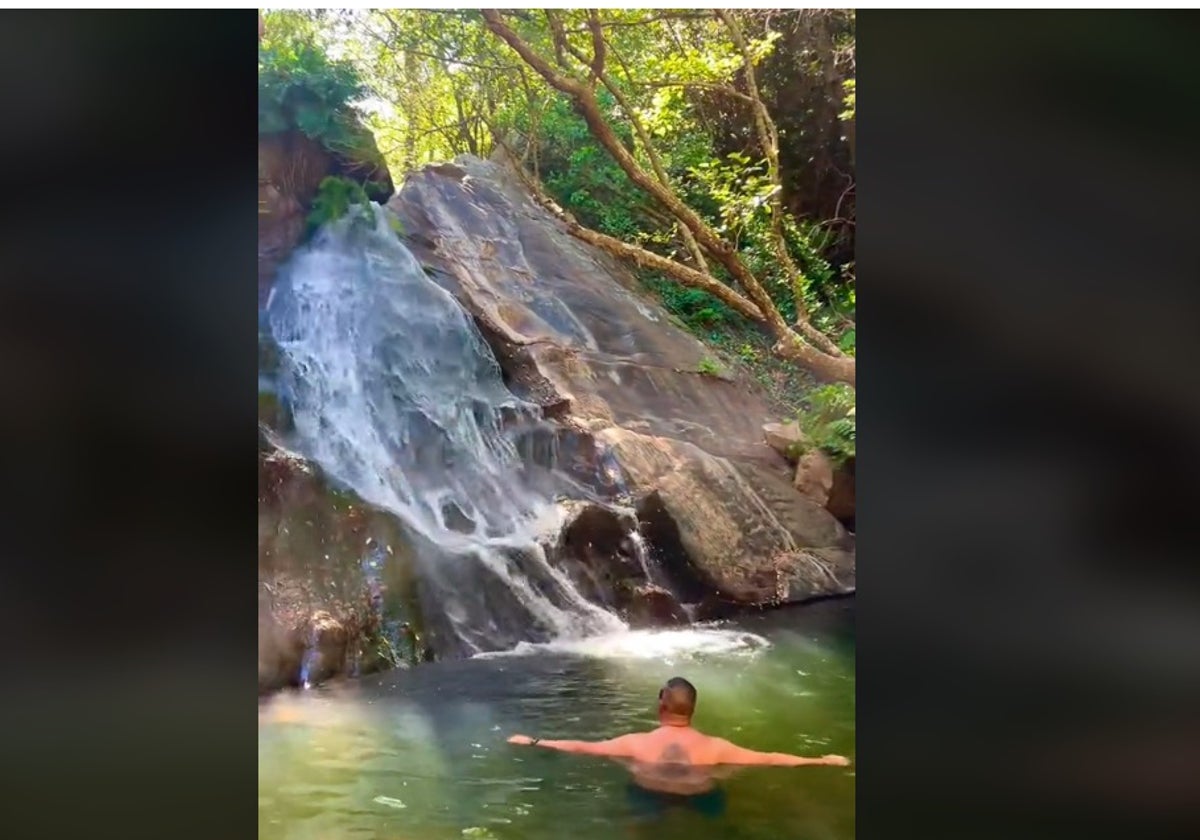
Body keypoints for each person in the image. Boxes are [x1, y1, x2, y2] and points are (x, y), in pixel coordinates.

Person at [508, 676, 849, 812]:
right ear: (693, 709)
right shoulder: (717, 748)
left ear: (661, 706)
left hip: (647, 792)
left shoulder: (635, 743)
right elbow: (771, 759)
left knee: (637, 826)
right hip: (701, 795)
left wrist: (534, 740)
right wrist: (824, 760)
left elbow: (582, 746)